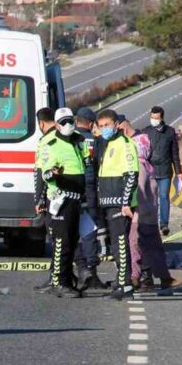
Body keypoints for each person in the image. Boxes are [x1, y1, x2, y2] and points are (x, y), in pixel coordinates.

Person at [33, 107, 90, 297]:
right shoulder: (51, 143)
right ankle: (59, 282)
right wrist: (53, 174)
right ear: (56, 125)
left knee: (72, 242)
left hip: (76, 199)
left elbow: (86, 163)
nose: (69, 125)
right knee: (61, 242)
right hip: (61, 199)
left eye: (71, 121)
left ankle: (66, 279)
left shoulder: (78, 141)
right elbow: (44, 173)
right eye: (64, 122)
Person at [127, 129, 182, 296]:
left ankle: (146, 278)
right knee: (141, 247)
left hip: (146, 215)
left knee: (143, 247)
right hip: (142, 215)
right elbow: (138, 191)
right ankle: (137, 278)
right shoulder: (141, 166)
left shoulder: (145, 165)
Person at [94, 108, 139, 300]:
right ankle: (122, 282)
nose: (104, 129)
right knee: (115, 245)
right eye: (101, 126)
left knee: (121, 244)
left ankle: (125, 285)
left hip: (119, 203)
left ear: (116, 124)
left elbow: (131, 175)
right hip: (107, 202)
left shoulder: (125, 144)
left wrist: (126, 202)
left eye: (107, 125)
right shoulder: (106, 144)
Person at [73, 107, 108, 289]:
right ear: (90, 123)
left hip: (73, 187)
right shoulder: (95, 141)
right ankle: (91, 270)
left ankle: (80, 270)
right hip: (91, 190)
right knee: (91, 229)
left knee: (72, 231)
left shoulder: (70, 138)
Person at [142, 106, 182, 237]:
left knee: (164, 196)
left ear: (162, 118)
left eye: (156, 118)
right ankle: (151, 223)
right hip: (151, 171)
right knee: (151, 198)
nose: (154, 120)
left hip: (165, 170)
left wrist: (179, 171)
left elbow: (175, 154)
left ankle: (164, 224)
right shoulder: (146, 131)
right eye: (152, 117)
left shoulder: (170, 132)